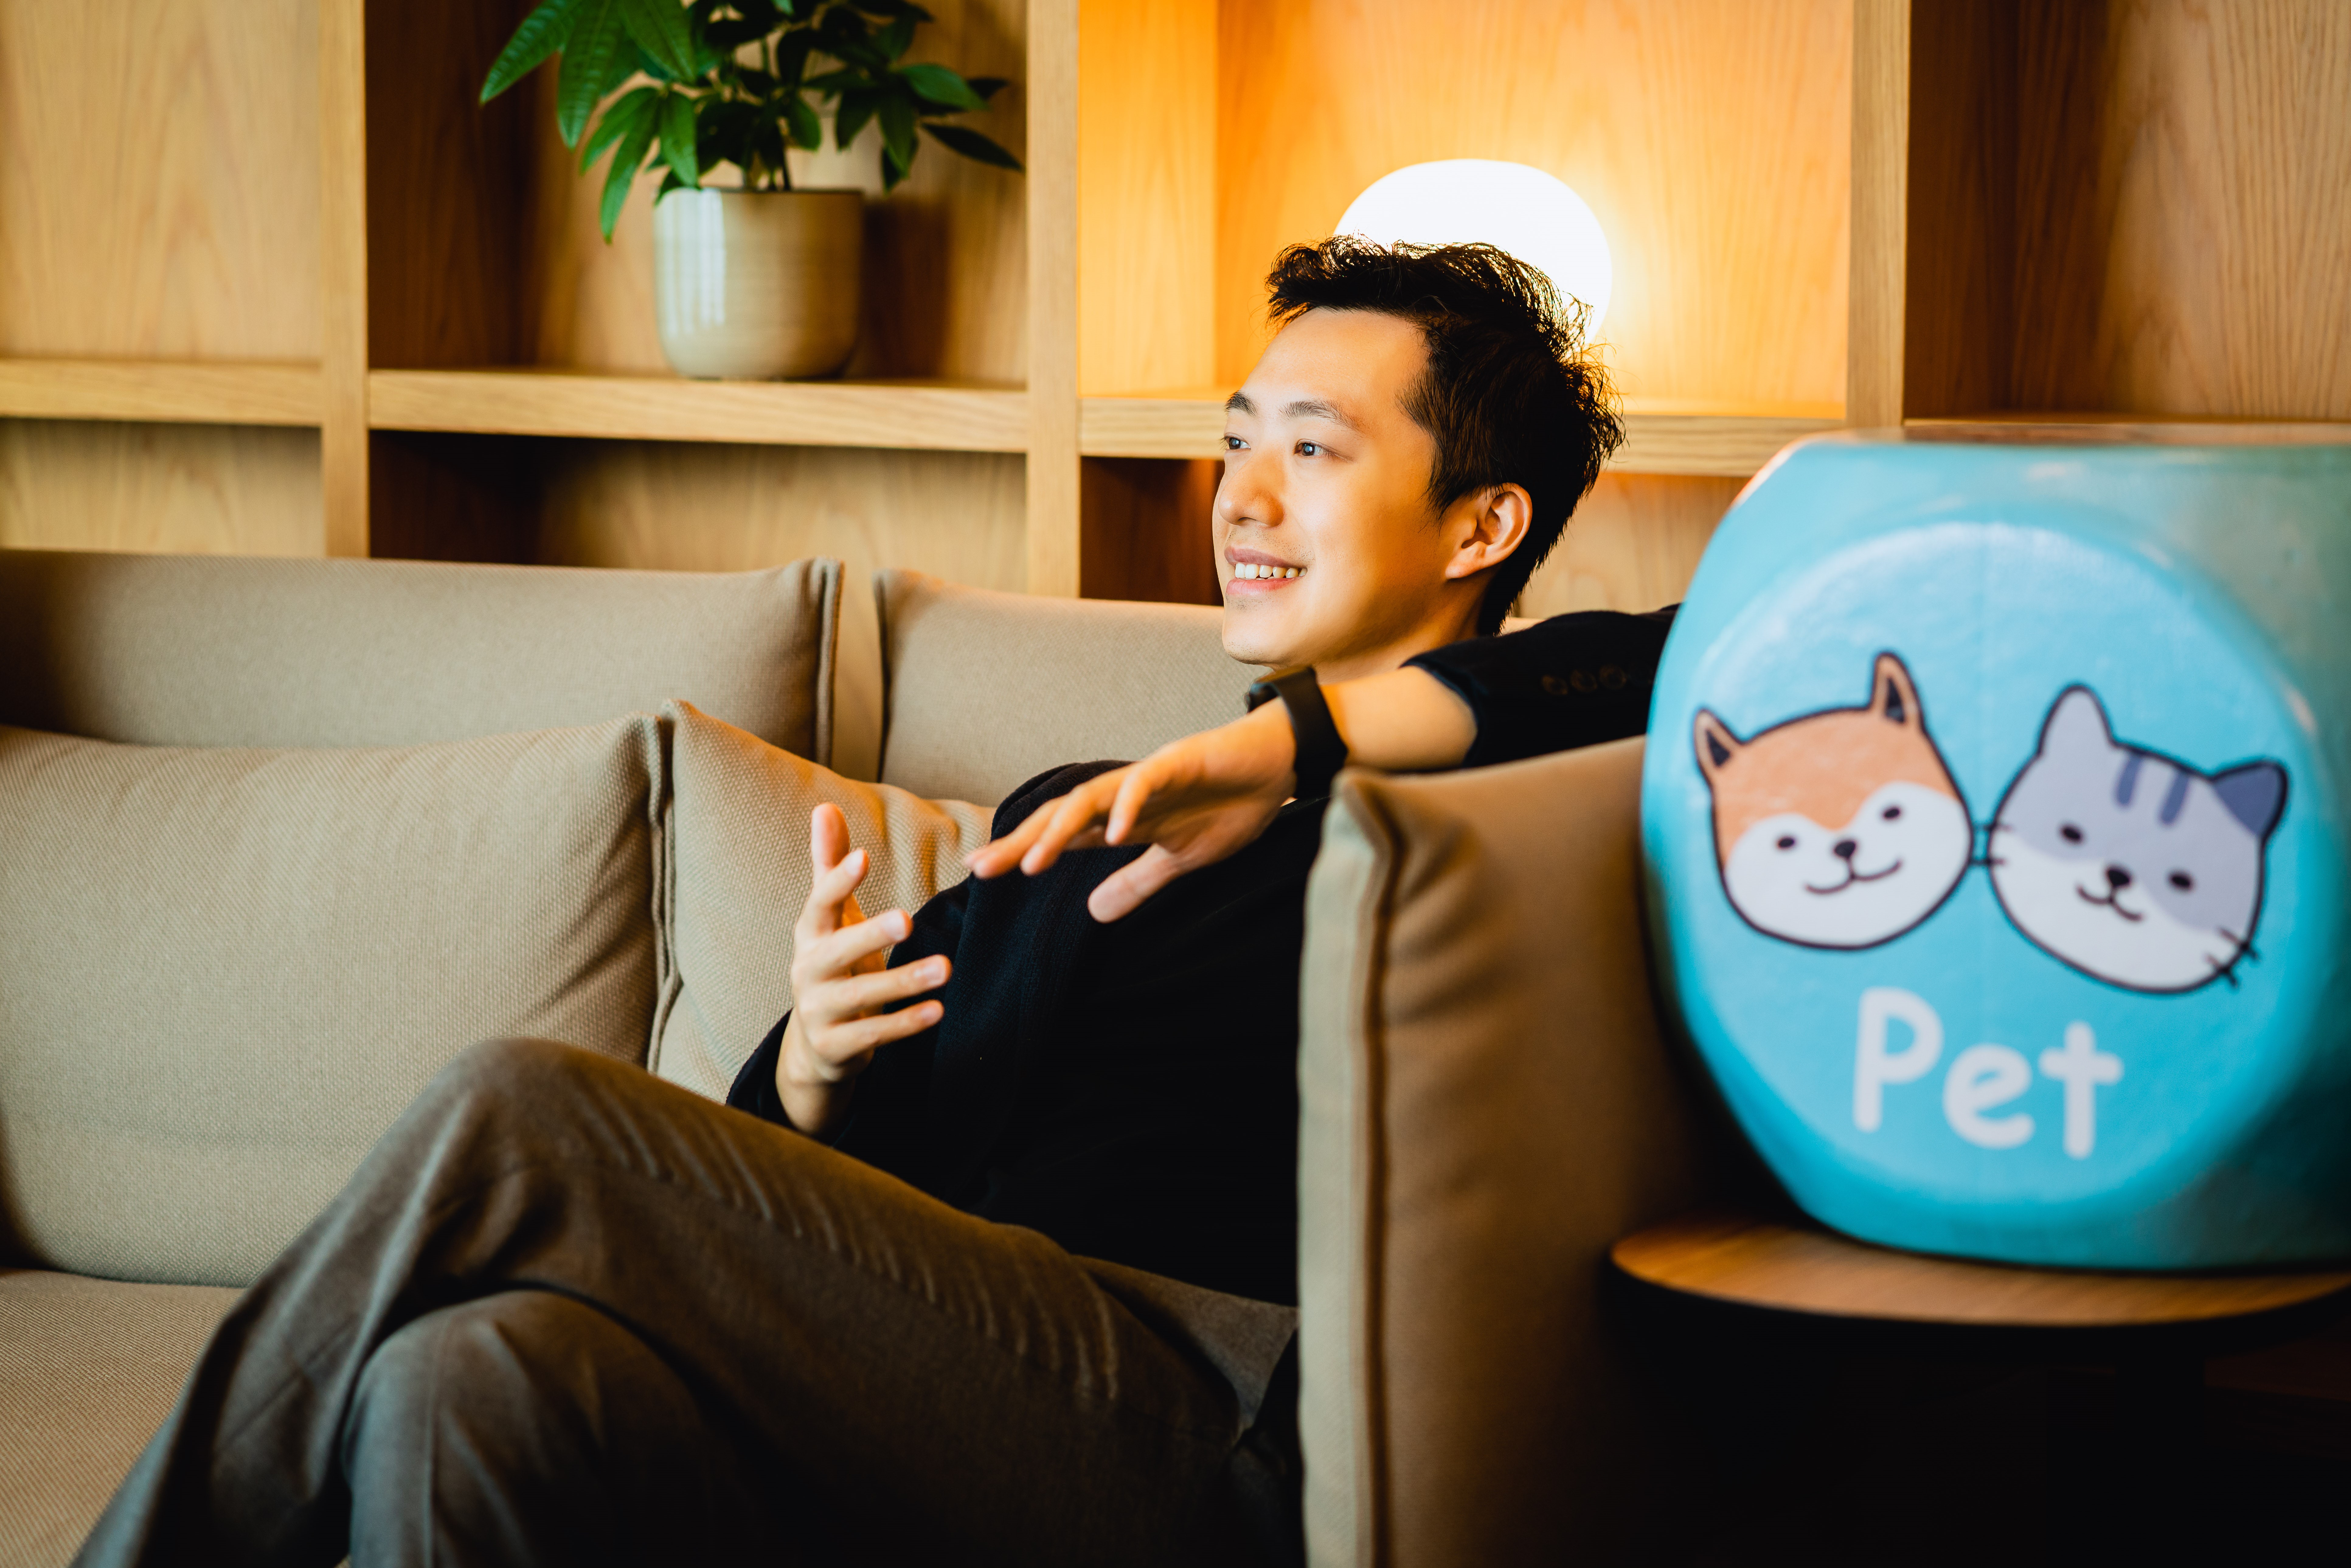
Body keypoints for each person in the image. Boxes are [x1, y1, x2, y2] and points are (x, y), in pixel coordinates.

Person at [75, 239, 1673, 1568]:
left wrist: (1295, 743)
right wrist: (816, 1073)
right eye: (1237, 440)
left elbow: (1686, 654)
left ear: (1482, 523)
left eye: (1312, 450)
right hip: (954, 1399)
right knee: (471, 1372)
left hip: (1232, 1430)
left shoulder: (1527, 822)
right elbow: (802, 1211)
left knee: (520, 1109)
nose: (1241, 497)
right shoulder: (1078, 813)